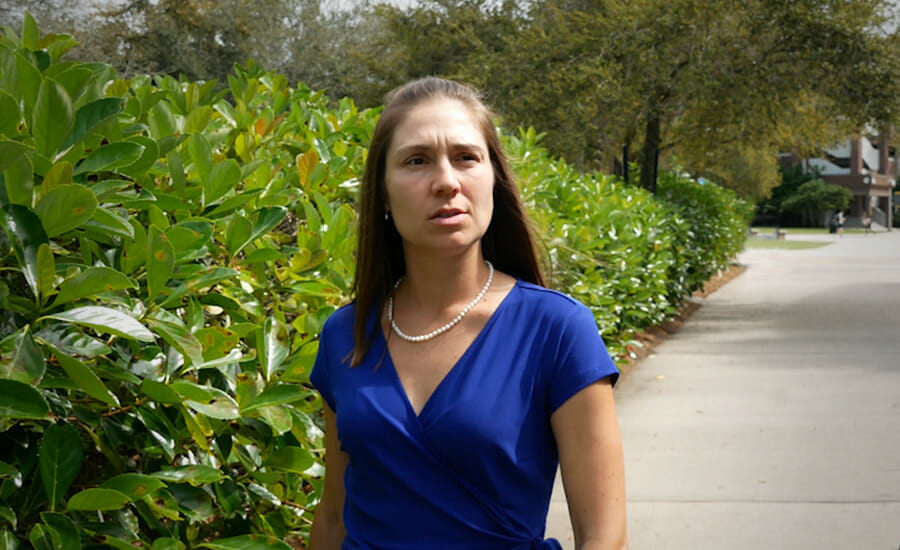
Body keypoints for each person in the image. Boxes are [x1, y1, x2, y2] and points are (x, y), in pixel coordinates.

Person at [308, 77, 627, 550]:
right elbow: (334, 517)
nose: (445, 182)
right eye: (416, 161)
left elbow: (605, 537)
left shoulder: (556, 330)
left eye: (466, 157)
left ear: (493, 178)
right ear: (384, 194)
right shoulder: (345, 334)